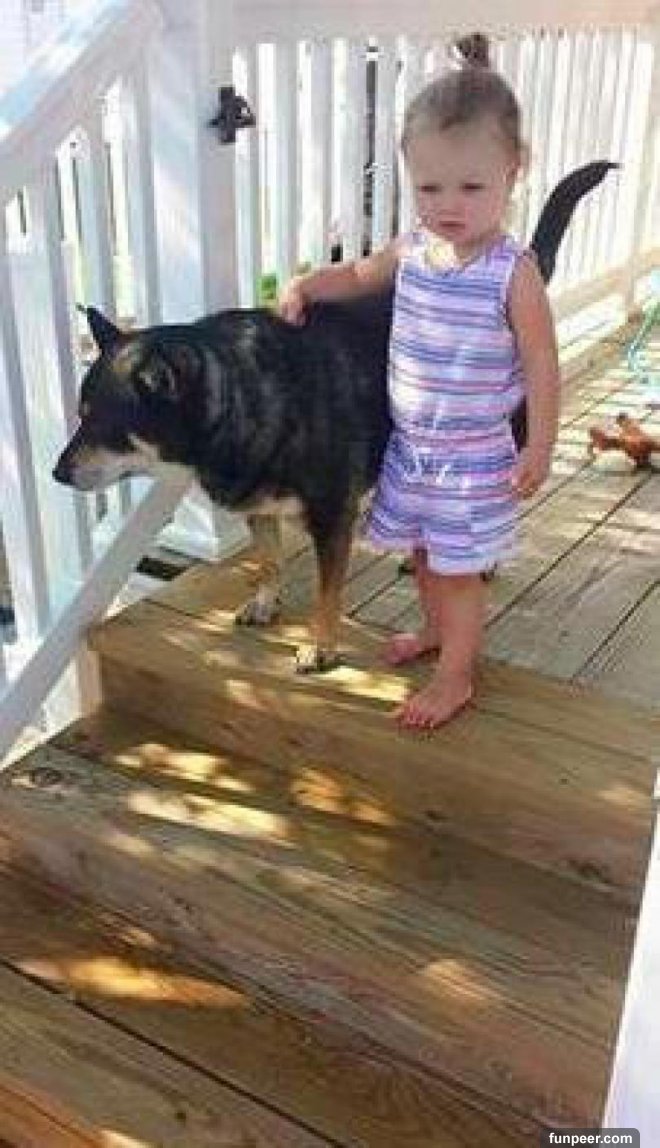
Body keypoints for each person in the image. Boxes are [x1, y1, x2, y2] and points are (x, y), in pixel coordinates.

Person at [278, 33, 560, 729]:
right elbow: (358, 275)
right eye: (429, 187)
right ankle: (436, 634)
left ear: (514, 171)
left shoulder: (512, 272)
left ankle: (456, 676)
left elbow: (542, 364)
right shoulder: (413, 247)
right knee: (426, 554)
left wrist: (540, 446)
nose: (448, 204)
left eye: (471, 187)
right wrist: (308, 284)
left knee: (460, 570)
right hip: (415, 449)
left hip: (472, 456)